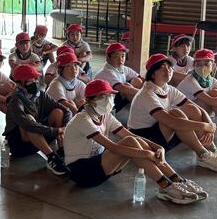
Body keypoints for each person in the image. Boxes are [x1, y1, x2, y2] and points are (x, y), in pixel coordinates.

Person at [64, 79, 204, 203]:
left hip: (100, 164)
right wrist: (147, 154)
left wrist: (157, 147)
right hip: (82, 172)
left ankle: (177, 180)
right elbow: (113, 148)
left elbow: (130, 135)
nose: (108, 100)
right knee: (131, 143)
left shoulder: (105, 115)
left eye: (110, 96)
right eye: (102, 97)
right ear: (89, 101)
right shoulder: (82, 119)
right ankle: (166, 187)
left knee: (134, 141)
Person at [127, 54, 217, 172]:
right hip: (143, 140)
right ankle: (203, 154)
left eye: (169, 67)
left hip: (162, 134)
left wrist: (210, 125)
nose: (168, 70)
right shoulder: (147, 94)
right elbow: (171, 122)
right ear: (152, 74)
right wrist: (204, 125)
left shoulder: (168, 89)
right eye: (162, 68)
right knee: (176, 114)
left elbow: (195, 107)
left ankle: (211, 150)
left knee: (191, 109)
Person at [4, 64, 71, 176]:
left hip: (39, 139)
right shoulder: (15, 100)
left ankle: (62, 151)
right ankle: (51, 158)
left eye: (36, 78)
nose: (35, 82)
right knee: (29, 119)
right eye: (31, 81)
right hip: (20, 145)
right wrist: (54, 131)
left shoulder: (40, 95)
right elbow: (27, 125)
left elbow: (66, 110)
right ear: (20, 84)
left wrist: (64, 127)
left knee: (58, 112)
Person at [93, 42, 143, 113]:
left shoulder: (122, 68)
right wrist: (145, 93)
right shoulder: (107, 72)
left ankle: (142, 108)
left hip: (115, 98)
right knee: (126, 87)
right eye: (116, 56)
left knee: (137, 81)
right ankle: (141, 112)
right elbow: (124, 89)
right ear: (108, 58)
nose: (120, 59)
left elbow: (141, 78)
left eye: (123, 56)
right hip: (104, 105)